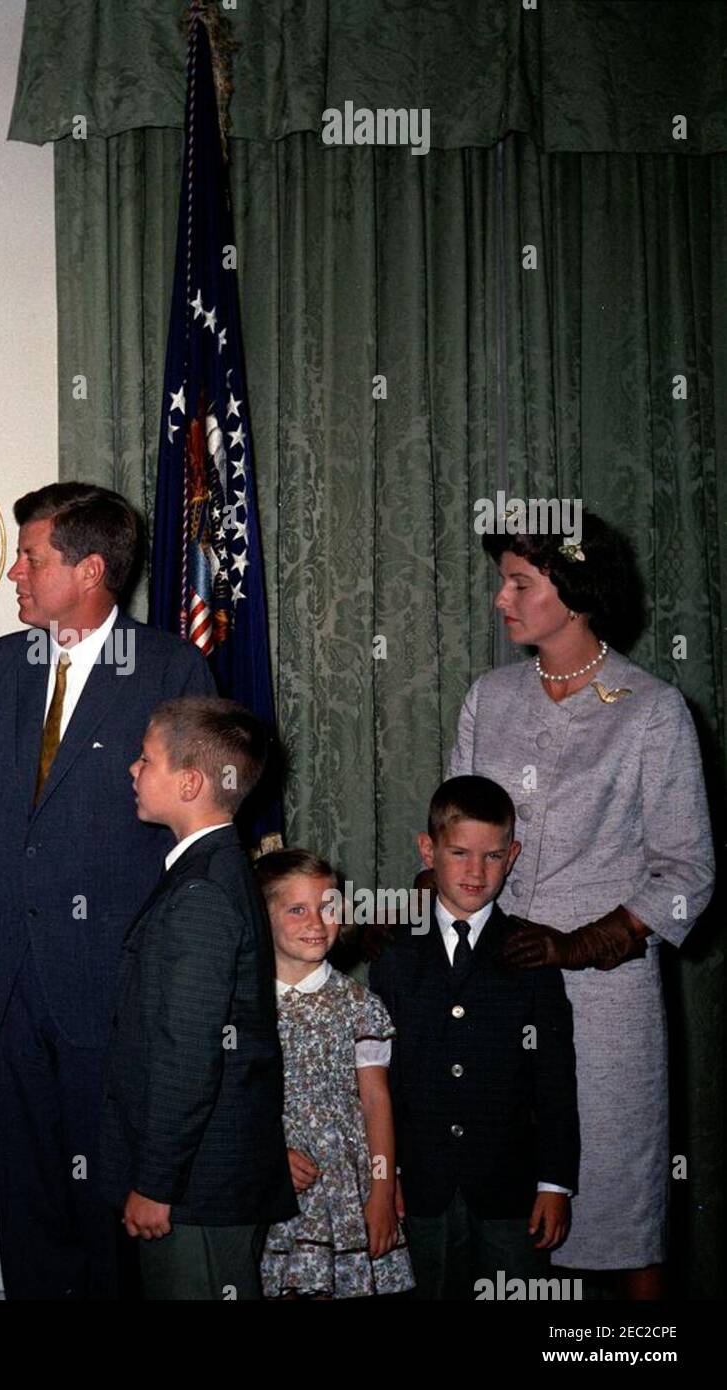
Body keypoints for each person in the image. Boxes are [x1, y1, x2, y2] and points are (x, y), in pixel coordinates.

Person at [0, 482, 215, 1298]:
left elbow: (199, 835)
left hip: (115, 980)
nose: (14, 575)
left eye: (30, 558)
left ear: (90, 569)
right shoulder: (2, 665)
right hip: (10, 975)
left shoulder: (170, 668)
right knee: (25, 1195)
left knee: (108, 1201)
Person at [450, 512, 714, 1297]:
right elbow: (455, 833)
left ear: (573, 592)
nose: (500, 597)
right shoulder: (488, 699)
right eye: (501, 579)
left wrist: (579, 942)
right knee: (508, 1215)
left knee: (617, 1214)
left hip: (603, 1001)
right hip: (498, 985)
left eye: (519, 582)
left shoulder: (649, 709)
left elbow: (685, 872)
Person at [97, 698, 295, 1299]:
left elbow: (189, 1054)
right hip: (202, 1176)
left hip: (199, 1185)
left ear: (189, 782)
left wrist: (157, 1183)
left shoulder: (204, 891)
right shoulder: (210, 870)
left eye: (145, 759)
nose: (132, 769)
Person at [370, 776, 579, 1299]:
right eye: (459, 852)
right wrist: (385, 1171)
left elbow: (555, 1081)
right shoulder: (394, 953)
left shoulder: (532, 954)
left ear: (512, 857)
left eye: (491, 856)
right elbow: (379, 1079)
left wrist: (554, 1184)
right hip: (420, 1186)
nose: (475, 871)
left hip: (509, 1188)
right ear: (428, 849)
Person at [255, 849, 413, 1299]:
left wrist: (382, 1191)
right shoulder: (246, 1006)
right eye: (297, 909)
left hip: (346, 1184)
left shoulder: (359, 1006)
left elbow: (376, 1101)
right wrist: (266, 1155)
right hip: (274, 1186)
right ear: (262, 916)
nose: (317, 922)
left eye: (328, 908)